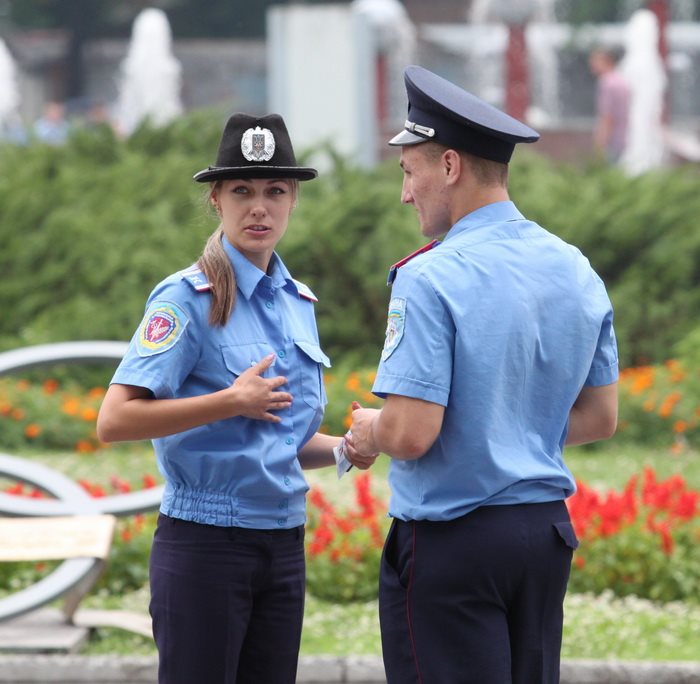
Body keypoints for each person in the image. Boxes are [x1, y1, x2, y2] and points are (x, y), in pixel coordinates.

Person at [349, 66, 619, 684]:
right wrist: (509, 428)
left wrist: (370, 429)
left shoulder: (429, 276)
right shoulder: (574, 267)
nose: (405, 193)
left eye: (408, 171)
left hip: (454, 542)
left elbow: (411, 432)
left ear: (449, 166)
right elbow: (600, 418)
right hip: (544, 535)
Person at [96, 112, 374, 684]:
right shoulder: (186, 299)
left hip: (283, 545)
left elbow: (280, 438)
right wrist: (229, 400)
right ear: (216, 199)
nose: (259, 208)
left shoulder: (296, 302)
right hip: (206, 547)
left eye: (275, 191)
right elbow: (115, 419)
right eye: (242, 191)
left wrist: (346, 448)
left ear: (293, 200)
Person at [588, 47, 631, 164]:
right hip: (624, 138)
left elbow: (607, 118)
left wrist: (599, 145)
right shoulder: (621, 81)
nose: (591, 64)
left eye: (595, 60)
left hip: (611, 142)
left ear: (607, 60)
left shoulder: (607, 83)